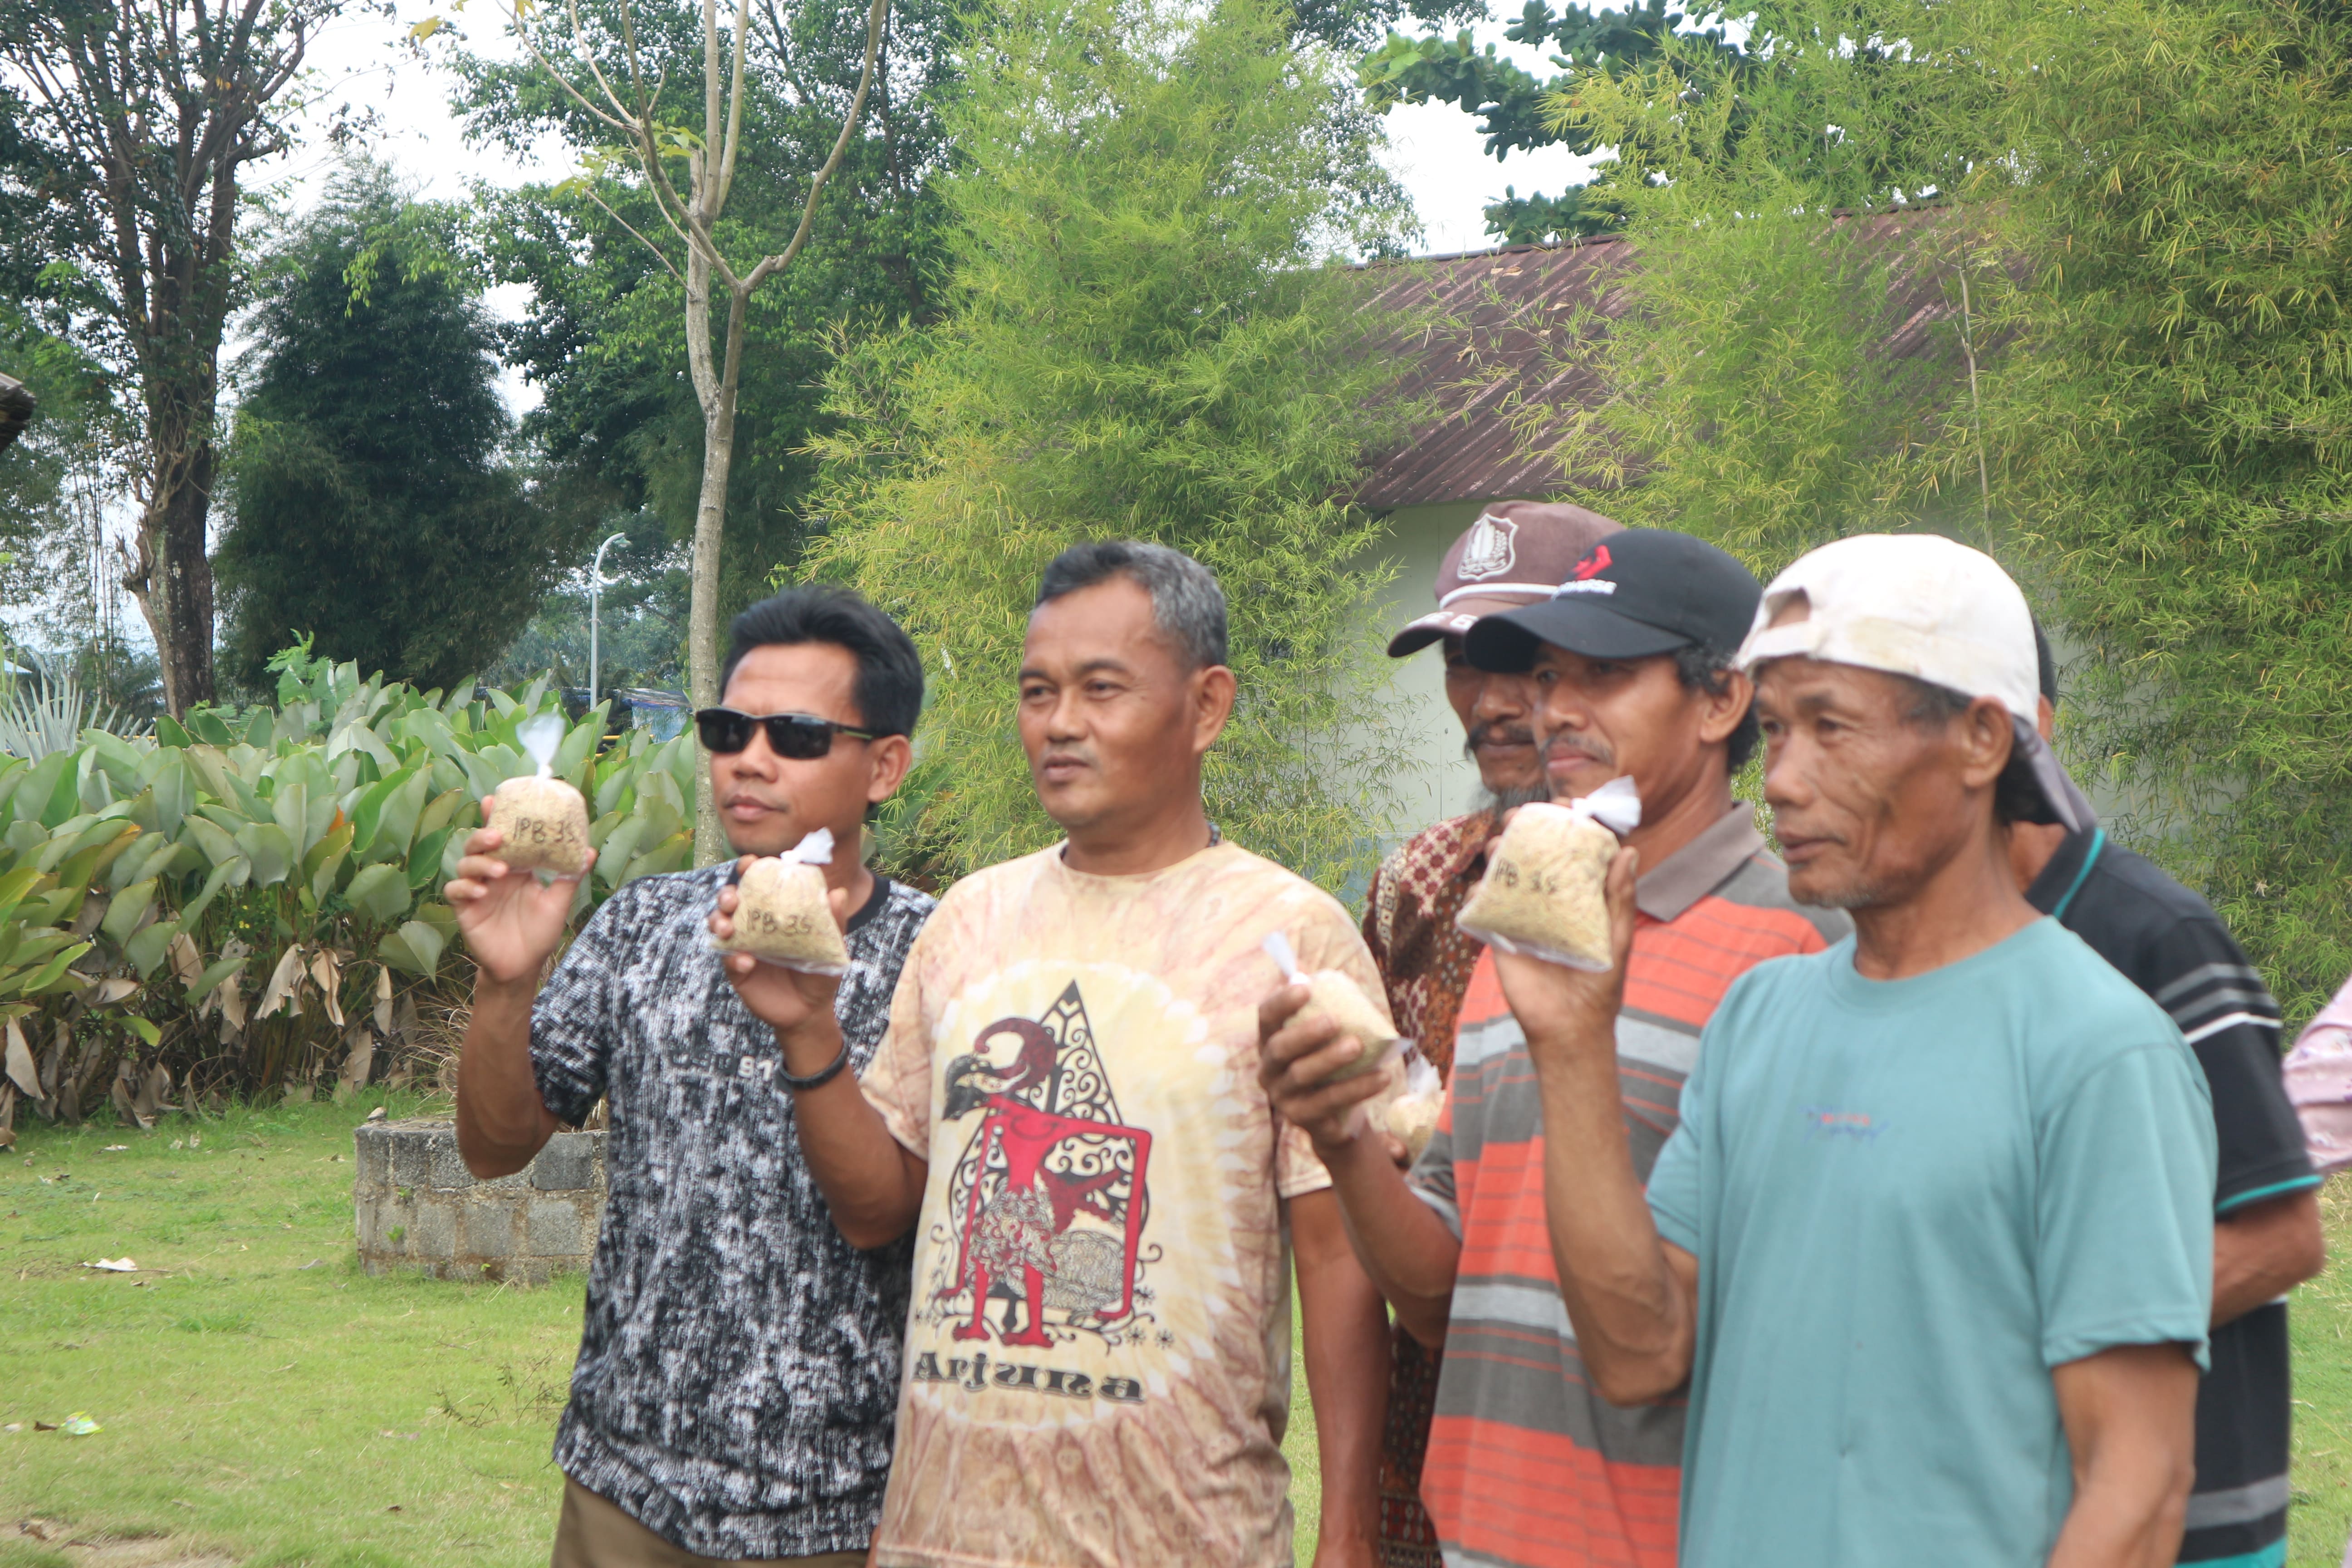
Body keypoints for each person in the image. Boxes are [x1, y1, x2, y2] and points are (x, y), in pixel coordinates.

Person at [1489, 531, 2219, 1568]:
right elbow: (1638, 1355)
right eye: (1778, 731)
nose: (1784, 779)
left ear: (1980, 740)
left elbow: (2139, 1487)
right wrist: (1571, 1047)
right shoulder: (1759, 1020)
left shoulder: (2098, 1050)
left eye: (1832, 728)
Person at [712, 541, 1393, 1568]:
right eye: (1038, 692)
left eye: (1101, 690)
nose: (1059, 723)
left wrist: (1349, 1534)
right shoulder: (974, 919)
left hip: (1186, 1538)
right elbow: (880, 1205)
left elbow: (1339, 1258)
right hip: (939, 1539)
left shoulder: (1291, 941)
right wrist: (807, 1032)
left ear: (1207, 709)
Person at [1262, 528, 1847, 1568]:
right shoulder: (1523, 939)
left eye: (1607, 674)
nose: (1555, 710)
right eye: (1545, 674)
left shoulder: (1802, 947)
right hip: (1480, 1534)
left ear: (1721, 702)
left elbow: (1807, 1325)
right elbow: (1442, 1296)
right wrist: (1341, 1132)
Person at [449, 587, 936, 1568]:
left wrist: (812, 1030)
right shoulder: (642, 926)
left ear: (885, 765)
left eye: (796, 734)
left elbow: (885, 1217)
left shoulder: (941, 952)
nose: (749, 759)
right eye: (727, 729)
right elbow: (496, 1150)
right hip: (627, 1483)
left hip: (842, 1505)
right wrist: (509, 985)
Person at [2010, 626, 2325, 1568]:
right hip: (2013, 1507)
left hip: (2194, 1521)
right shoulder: (1908, 957)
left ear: (2024, 731)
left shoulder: (2156, 936)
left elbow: (2280, 1238)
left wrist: (2018, 1353)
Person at [1362, 500, 1622, 1568]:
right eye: (1463, 661)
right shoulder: (1418, 887)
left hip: (1639, 1420)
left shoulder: (1738, 902)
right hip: (1448, 1408)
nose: (1492, 700)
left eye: (1523, 656)